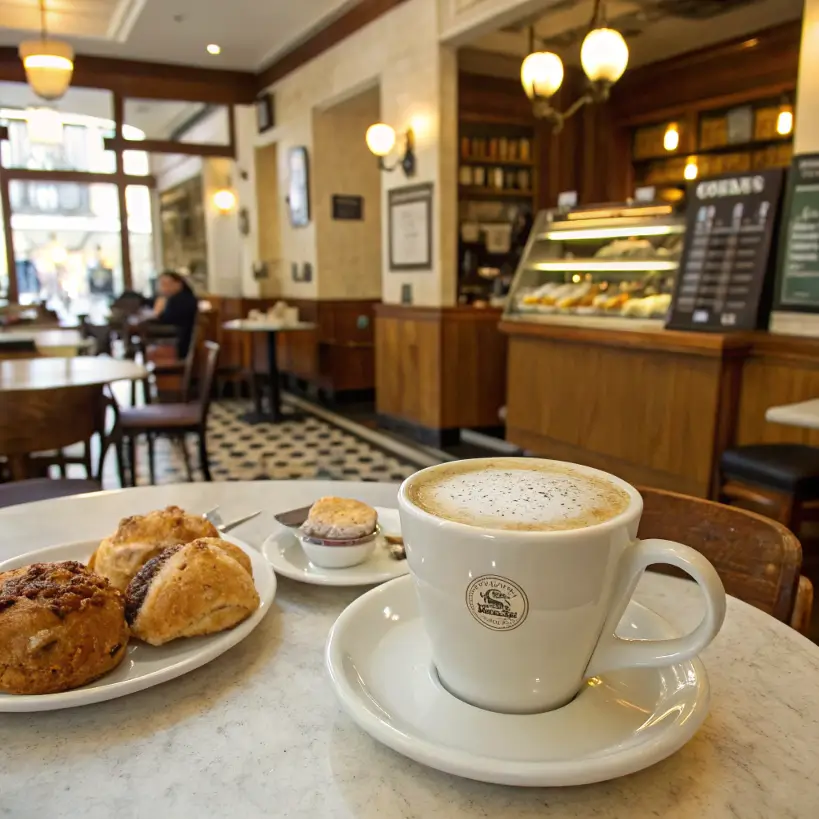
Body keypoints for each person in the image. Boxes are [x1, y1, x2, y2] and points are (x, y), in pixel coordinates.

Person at [152, 271, 198, 359]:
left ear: (178, 284)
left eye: (166, 284)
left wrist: (159, 312)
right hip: (176, 338)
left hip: (181, 343)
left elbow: (168, 319)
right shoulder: (171, 298)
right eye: (161, 284)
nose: (163, 288)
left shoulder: (183, 299)